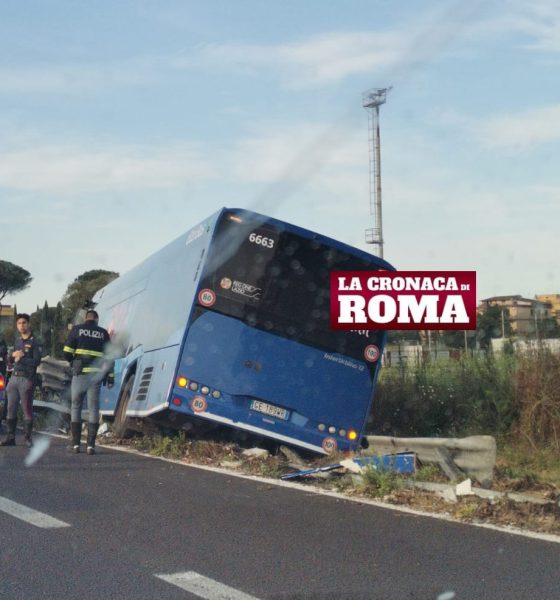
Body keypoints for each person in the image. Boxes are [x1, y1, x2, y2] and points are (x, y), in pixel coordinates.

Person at [63, 309, 114, 455]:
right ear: (97, 319)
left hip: (79, 375)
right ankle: (91, 446)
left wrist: (73, 362)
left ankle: (75, 445)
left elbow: (66, 351)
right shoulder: (103, 333)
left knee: (76, 406)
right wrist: (110, 376)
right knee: (93, 408)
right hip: (95, 376)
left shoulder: (77, 330)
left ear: (86, 318)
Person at [0, 314, 42, 447]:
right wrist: (13, 356)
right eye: (19, 323)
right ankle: (10, 437)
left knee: (26, 408)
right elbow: (10, 360)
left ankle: (28, 438)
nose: (21, 325)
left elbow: (36, 361)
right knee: (10, 407)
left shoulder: (35, 342)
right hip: (14, 378)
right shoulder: (17, 340)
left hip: (26, 378)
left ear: (28, 324)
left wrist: (22, 357)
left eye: (24, 323)